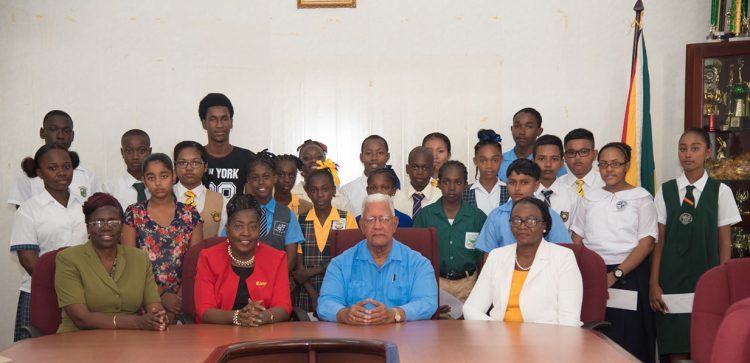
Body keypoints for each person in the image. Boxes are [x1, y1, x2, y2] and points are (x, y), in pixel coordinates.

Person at [650, 128, 741, 362]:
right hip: (670, 284)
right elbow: (659, 242)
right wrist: (654, 283)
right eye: (682, 148)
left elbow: (724, 244)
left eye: (695, 148)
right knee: (675, 350)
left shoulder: (721, 192)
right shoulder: (666, 190)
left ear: (708, 152)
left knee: (704, 348)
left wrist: (723, 285)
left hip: (706, 282)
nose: (687, 154)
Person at [570, 142, 657, 363]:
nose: (609, 170)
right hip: (592, 275)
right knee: (593, 336)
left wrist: (616, 274)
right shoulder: (589, 197)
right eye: (604, 164)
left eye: (615, 164)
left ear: (627, 165)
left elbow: (646, 243)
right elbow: (577, 239)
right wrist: (585, 273)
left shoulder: (641, 197)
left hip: (629, 273)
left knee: (627, 338)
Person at [55, 193, 168, 333]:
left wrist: (157, 318)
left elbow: (154, 307)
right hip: (79, 343)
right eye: (98, 222)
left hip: (129, 344)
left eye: (113, 222)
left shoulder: (139, 258)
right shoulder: (68, 259)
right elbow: (81, 318)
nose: (106, 227)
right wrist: (137, 322)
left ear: (121, 227)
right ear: (88, 227)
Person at [317, 193, 438, 324]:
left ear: (395, 224)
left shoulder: (418, 264)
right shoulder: (340, 264)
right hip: (356, 338)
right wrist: (343, 314)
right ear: (362, 225)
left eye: (384, 219)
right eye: (370, 220)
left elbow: (428, 303)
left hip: (403, 339)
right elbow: (325, 304)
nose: (377, 226)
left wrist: (395, 314)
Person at [463, 197, 582, 327]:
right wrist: (499, 331)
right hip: (498, 340)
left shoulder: (563, 257)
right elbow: (471, 308)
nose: (522, 226)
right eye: (516, 220)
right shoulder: (497, 256)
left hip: (546, 341)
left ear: (544, 225)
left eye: (531, 220)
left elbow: (569, 320)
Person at [9, 144, 88, 341]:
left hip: (85, 292)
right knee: (39, 353)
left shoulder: (85, 205)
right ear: (39, 173)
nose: (61, 173)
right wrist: (63, 287)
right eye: (52, 168)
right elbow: (28, 261)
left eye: (66, 166)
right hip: (40, 292)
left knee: (81, 351)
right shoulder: (28, 210)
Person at [121, 153, 203, 322]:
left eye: (164, 176)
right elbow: (130, 262)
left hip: (183, 298)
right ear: (144, 180)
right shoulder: (134, 214)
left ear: (173, 177)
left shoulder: (190, 213)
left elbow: (195, 262)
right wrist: (162, 295)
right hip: (145, 297)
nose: (158, 183)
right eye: (151, 177)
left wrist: (178, 301)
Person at [194, 194, 291, 326]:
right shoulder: (208, 258)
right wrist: (237, 317)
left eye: (253, 226)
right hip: (217, 335)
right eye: (238, 226)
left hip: (263, 336)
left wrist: (263, 316)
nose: (246, 232)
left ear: (259, 230)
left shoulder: (276, 258)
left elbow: (284, 307)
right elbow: (204, 311)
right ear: (227, 230)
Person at [414, 161, 486, 303]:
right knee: (437, 325)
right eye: (446, 182)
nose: (452, 187)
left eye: (457, 182)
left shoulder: (477, 217)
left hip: (468, 284)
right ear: (439, 184)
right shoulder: (426, 215)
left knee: (467, 324)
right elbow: (417, 255)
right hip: (435, 283)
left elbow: (482, 257)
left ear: (466, 185)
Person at [294, 161, 358, 313]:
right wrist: (314, 295)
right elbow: (300, 270)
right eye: (314, 190)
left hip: (339, 293)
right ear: (308, 192)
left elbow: (349, 259)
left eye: (325, 189)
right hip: (306, 295)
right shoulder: (299, 220)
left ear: (333, 190)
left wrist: (312, 271)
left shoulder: (347, 219)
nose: (320, 195)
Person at [475, 159, 572, 256]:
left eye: (524, 183)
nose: (517, 188)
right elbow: (488, 257)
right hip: (503, 270)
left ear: (536, 185)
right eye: (512, 182)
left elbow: (563, 253)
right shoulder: (496, 216)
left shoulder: (549, 216)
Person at [8, 110, 99, 207]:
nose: (60, 136)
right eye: (53, 129)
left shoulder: (87, 175)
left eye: (66, 131)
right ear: (42, 133)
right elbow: (22, 213)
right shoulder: (29, 173)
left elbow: (95, 211)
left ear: (72, 136)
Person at [244, 150, 304, 272]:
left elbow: (291, 259)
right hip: (243, 282)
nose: (261, 182)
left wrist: (273, 282)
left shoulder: (287, 214)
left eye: (266, 177)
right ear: (248, 180)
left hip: (275, 281)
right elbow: (227, 246)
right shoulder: (241, 211)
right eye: (255, 178)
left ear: (274, 178)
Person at [199, 93, 255, 202]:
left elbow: (252, 203)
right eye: (213, 119)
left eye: (224, 119)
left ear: (231, 122)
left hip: (237, 218)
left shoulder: (248, 158)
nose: (219, 125)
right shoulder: (195, 158)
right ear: (204, 123)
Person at [173, 141, 227, 239]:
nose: (189, 168)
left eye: (195, 162)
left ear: (205, 167)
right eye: (182, 163)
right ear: (175, 166)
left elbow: (221, 238)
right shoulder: (164, 196)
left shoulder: (221, 200)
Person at [498, 108, 566, 182]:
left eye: (529, 126)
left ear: (539, 131)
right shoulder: (499, 161)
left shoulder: (551, 162)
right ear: (511, 129)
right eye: (517, 126)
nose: (522, 132)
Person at [291, 140, 354, 213]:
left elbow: (351, 223)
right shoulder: (292, 196)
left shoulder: (341, 200)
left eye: (319, 157)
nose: (313, 160)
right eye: (306, 158)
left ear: (326, 161)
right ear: (300, 165)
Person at [532, 135, 581, 229]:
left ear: (562, 163)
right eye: (541, 159)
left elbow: (576, 233)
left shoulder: (572, 196)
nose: (548, 164)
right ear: (533, 161)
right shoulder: (523, 193)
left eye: (554, 159)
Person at [340, 135, 390, 216]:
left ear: (387, 156)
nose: (374, 158)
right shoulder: (347, 191)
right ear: (361, 157)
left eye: (380, 153)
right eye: (368, 153)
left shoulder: (396, 190)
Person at [102, 129, 152, 209]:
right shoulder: (109, 188)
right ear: (122, 152)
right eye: (129, 151)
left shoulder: (159, 186)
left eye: (141, 151)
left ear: (149, 152)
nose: (135, 157)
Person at [463, 129, 509, 215]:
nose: (489, 166)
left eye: (495, 160)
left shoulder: (510, 191)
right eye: (483, 160)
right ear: (475, 161)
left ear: (501, 160)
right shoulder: (464, 193)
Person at [393, 146, 442, 219]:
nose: (420, 172)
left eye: (425, 168)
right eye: (415, 167)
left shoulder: (441, 198)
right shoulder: (395, 197)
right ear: (407, 169)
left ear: (433, 169)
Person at [559, 128, 605, 198]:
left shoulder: (606, 184)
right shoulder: (557, 185)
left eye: (584, 152)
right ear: (564, 157)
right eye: (571, 152)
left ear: (595, 155)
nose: (577, 158)